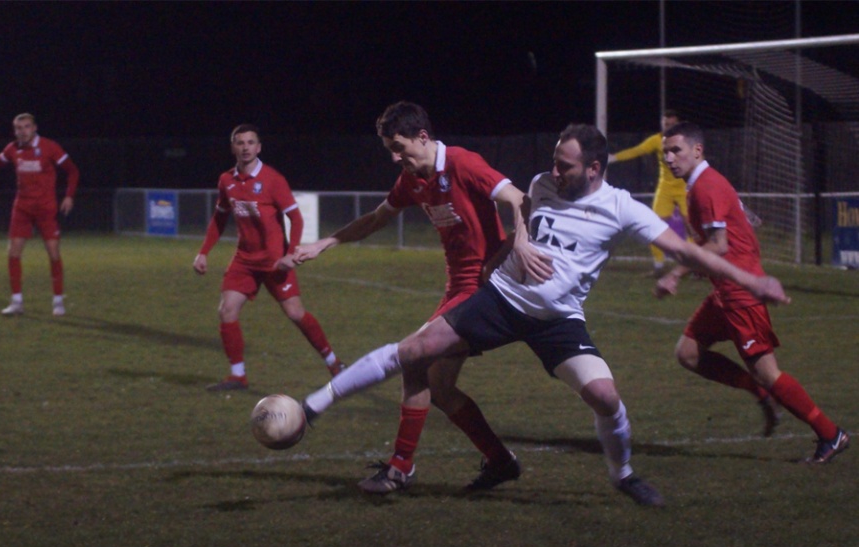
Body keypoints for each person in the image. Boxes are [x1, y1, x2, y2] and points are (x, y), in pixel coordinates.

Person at [298, 123, 791, 506]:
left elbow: (692, 254)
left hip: (558, 320)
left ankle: (624, 476)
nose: (555, 172)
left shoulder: (622, 208)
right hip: (501, 300)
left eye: (566, 166)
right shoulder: (542, 184)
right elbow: (521, 211)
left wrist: (752, 281)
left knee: (604, 396)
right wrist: (516, 246)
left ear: (595, 169)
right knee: (414, 353)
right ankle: (314, 408)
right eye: (555, 162)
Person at [295, 101, 543, 492]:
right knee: (440, 389)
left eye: (399, 147)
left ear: (423, 137)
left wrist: (515, 248)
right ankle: (500, 461)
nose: (395, 158)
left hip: (482, 290)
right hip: (457, 288)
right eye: (389, 150)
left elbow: (519, 199)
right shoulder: (412, 179)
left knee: (412, 356)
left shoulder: (462, 163)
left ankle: (384, 457)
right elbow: (377, 218)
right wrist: (326, 242)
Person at [657, 121, 849, 463]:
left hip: (741, 293)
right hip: (725, 292)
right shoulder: (702, 184)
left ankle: (830, 434)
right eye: (665, 153)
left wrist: (677, 273)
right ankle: (757, 390)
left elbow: (718, 244)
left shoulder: (706, 187)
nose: (670, 158)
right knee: (688, 353)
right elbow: (740, 224)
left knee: (770, 373)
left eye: (676, 150)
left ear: (697, 150)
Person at [193, 124, 344, 391]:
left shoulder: (273, 179)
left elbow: (295, 219)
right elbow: (219, 218)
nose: (246, 147)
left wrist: (290, 254)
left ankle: (334, 364)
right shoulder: (226, 180)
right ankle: (238, 376)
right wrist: (203, 252)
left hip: (274, 261)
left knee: (296, 313)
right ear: (233, 148)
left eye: (251, 142)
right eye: (240, 142)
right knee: (227, 310)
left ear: (259, 147)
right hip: (244, 260)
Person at [0, 113, 80, 316]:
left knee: (53, 253)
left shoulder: (49, 147)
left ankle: (57, 301)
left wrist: (69, 196)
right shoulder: (12, 149)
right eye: (19, 128)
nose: (23, 131)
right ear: (15, 131)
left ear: (34, 128)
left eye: (27, 126)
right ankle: (16, 302)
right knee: (13, 253)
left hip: (46, 209)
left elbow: (72, 171)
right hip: (22, 208)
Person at [609, 109, 688, 277]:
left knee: (694, 228)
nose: (669, 126)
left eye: (672, 124)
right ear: (662, 124)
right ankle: (659, 267)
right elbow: (637, 150)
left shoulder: (686, 140)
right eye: (666, 123)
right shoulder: (656, 140)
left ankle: (693, 265)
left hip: (684, 187)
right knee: (653, 226)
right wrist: (614, 158)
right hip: (665, 188)